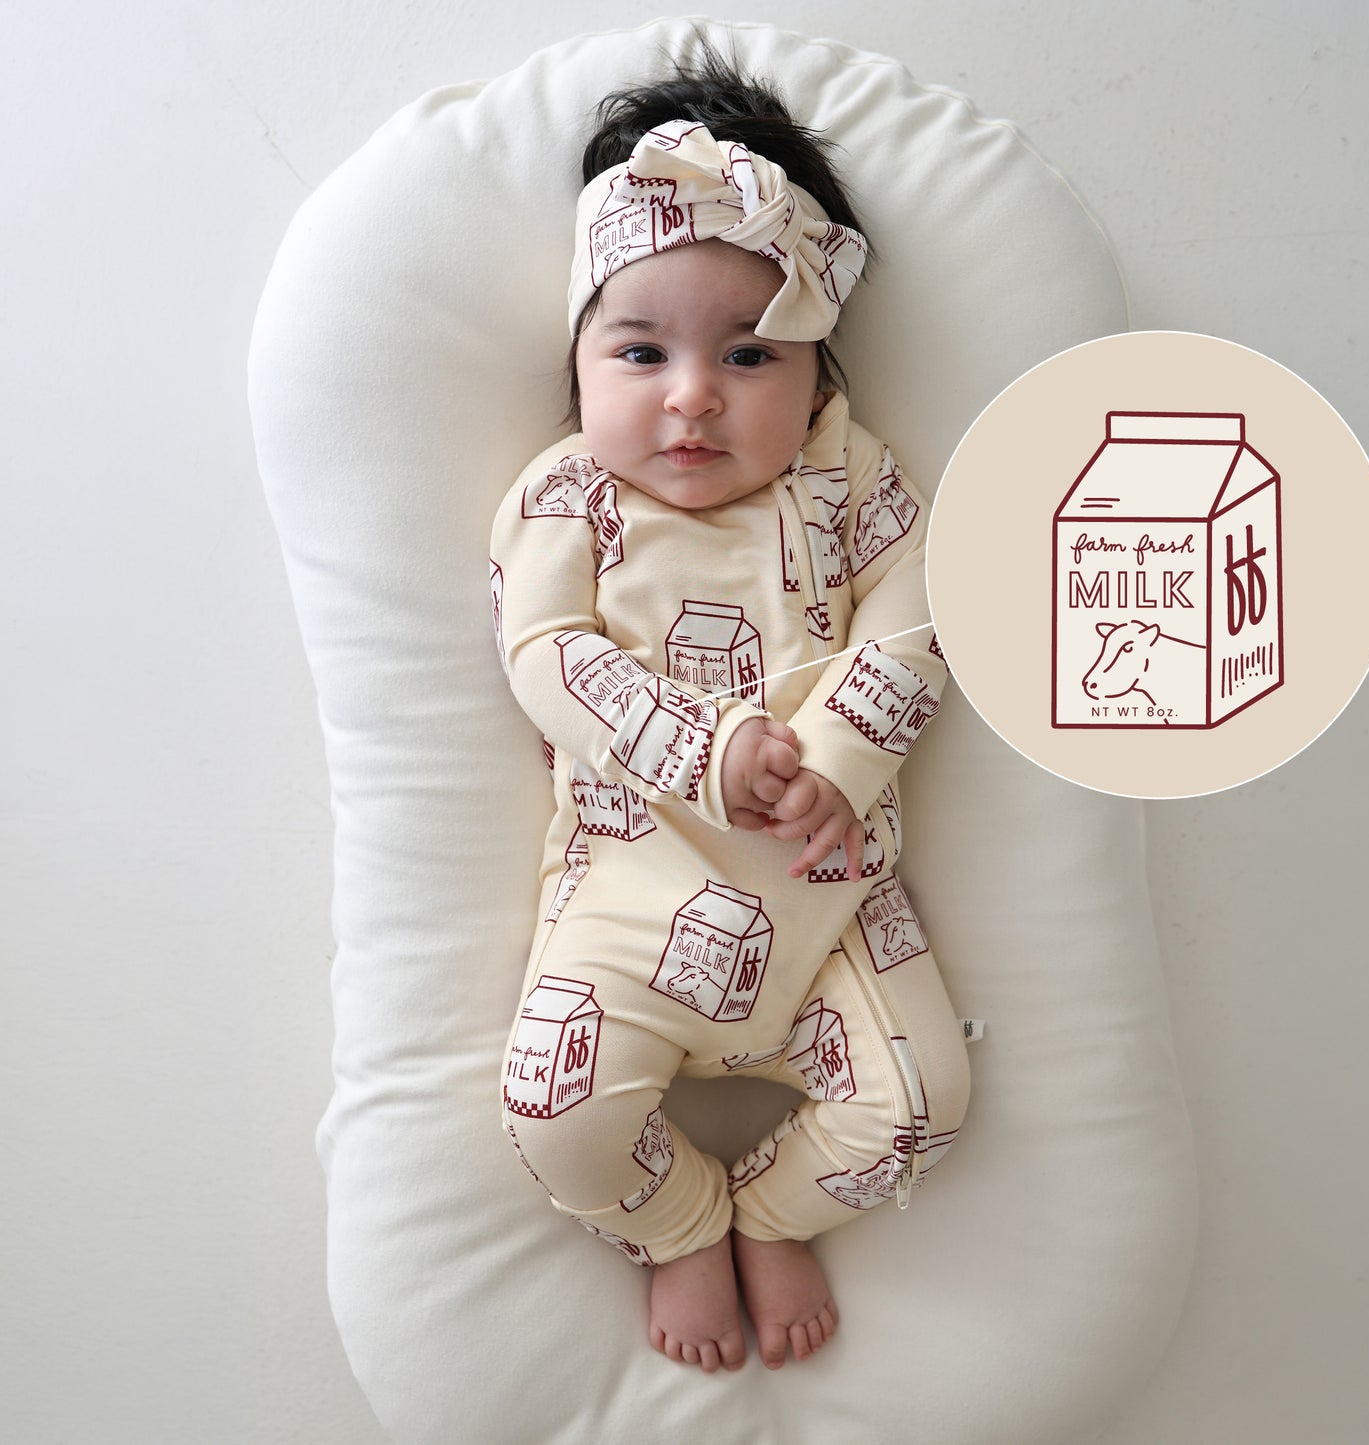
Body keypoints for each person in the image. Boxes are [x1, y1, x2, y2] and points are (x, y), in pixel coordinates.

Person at [490, 50, 970, 1374]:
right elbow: (543, 653)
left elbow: (930, 604)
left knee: (922, 1104)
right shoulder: (569, 498)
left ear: (817, 377)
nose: (692, 394)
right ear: (579, 360)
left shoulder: (847, 479)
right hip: (632, 892)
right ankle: (682, 1222)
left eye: (750, 354)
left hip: (827, 886)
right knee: (552, 1117)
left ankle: (770, 1208)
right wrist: (702, 745)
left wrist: (840, 754)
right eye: (640, 351)